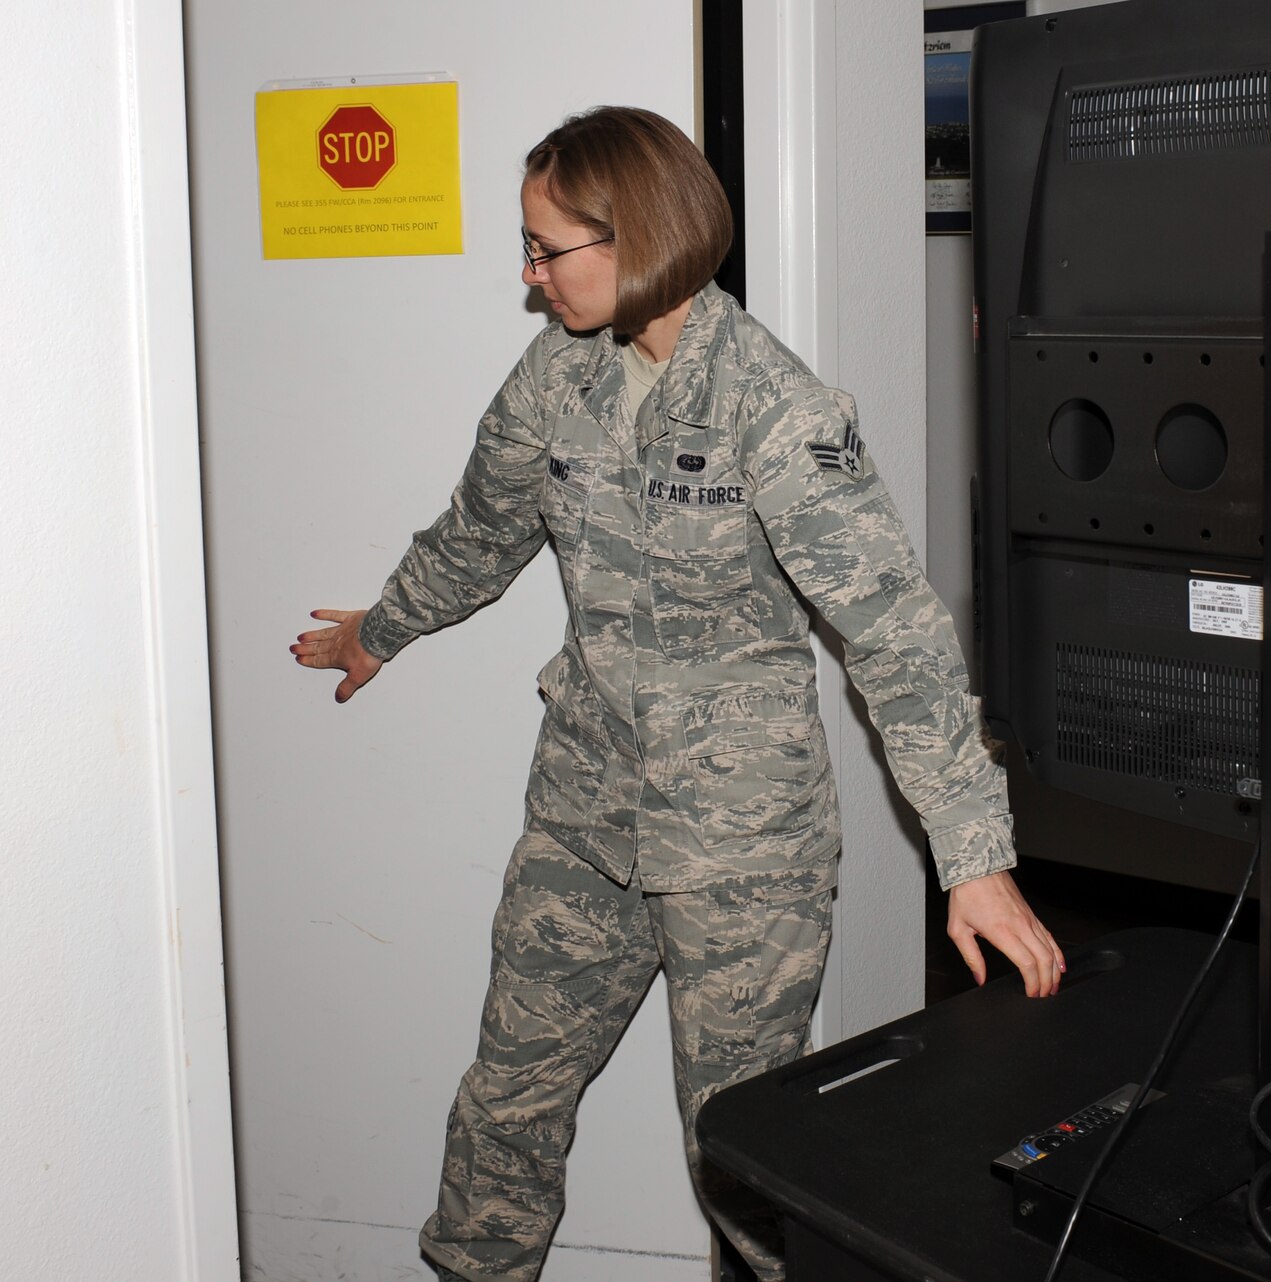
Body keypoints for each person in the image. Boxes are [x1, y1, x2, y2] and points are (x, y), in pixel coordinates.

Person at [290, 105, 1064, 1282]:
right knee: (506, 1104)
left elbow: (895, 636)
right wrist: (380, 628)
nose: (530, 274)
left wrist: (974, 858)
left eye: (547, 248)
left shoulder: (777, 410)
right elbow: (480, 531)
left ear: (637, 236)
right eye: (528, 248)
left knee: (743, 1158)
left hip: (741, 854)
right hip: (585, 820)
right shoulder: (555, 376)